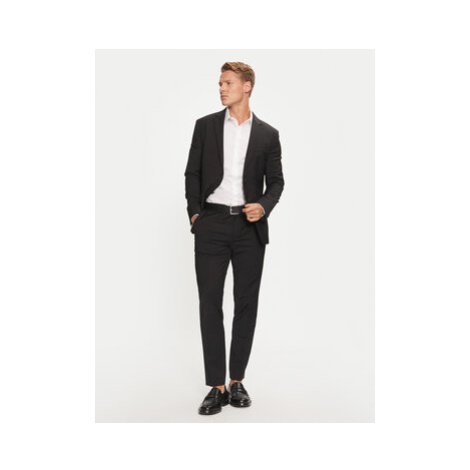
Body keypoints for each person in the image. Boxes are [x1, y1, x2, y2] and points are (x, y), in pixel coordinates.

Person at [184, 61, 285, 415]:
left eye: (228, 83)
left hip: (248, 228)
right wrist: (195, 214)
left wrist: (264, 206)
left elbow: (276, 182)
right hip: (211, 224)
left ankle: (237, 380)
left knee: (246, 304)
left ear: (247, 86)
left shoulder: (268, 134)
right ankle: (217, 386)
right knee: (209, 303)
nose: (221, 88)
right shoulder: (205, 126)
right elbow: (192, 173)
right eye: (220, 83)